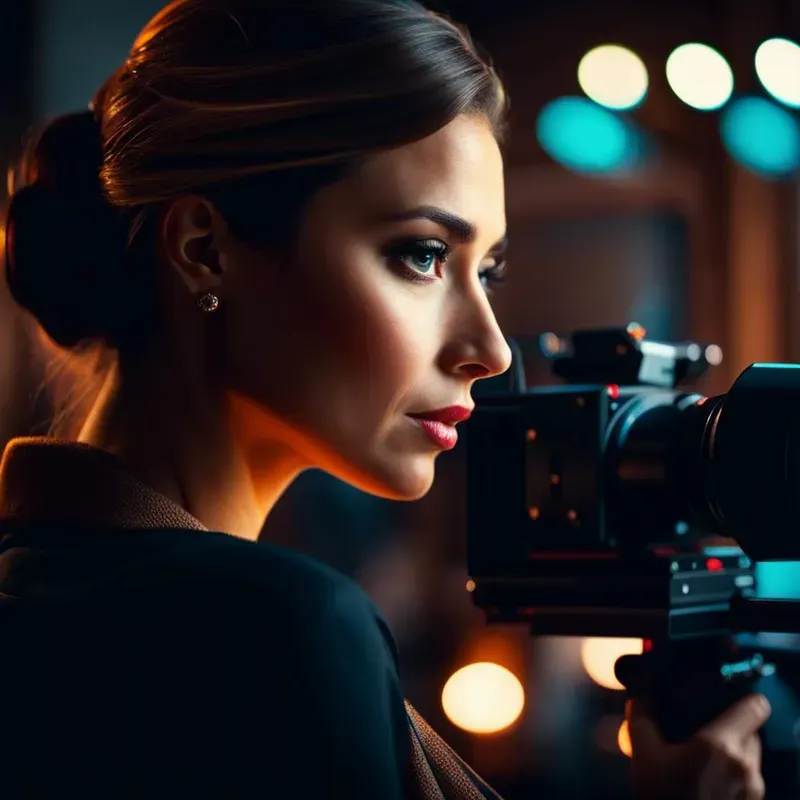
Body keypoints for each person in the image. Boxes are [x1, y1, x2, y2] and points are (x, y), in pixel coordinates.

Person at [0, 0, 770, 797]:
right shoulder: (280, 631)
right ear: (204, 249)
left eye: (489, 271)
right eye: (423, 255)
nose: (493, 349)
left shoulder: (44, 585)